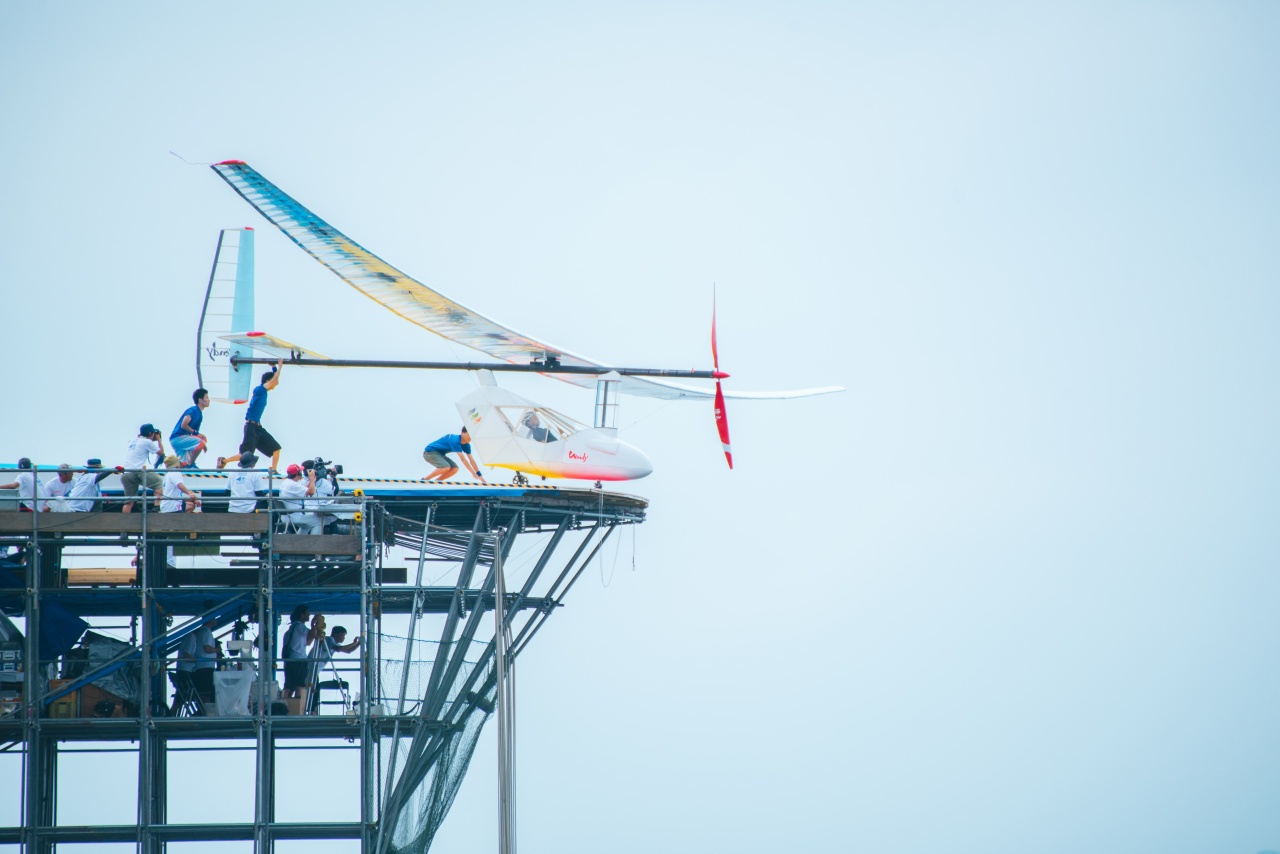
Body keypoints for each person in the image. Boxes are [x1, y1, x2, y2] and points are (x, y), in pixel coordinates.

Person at [217, 358, 284, 473]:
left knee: (276, 448)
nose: (276, 384)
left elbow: (274, 379)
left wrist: (273, 367)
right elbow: (274, 380)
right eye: (273, 382)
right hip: (251, 427)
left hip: (258, 428)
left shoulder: (263, 391)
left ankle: (273, 469)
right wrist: (280, 366)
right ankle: (224, 461)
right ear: (268, 381)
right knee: (245, 455)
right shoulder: (260, 389)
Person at [310, 624, 361, 713]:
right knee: (313, 690)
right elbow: (340, 649)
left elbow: (347, 651)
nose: (343, 638)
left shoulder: (332, 644)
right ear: (336, 634)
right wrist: (354, 643)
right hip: (311, 668)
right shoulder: (329, 640)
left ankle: (313, 710)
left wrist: (358, 644)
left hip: (315, 669)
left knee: (315, 690)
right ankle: (313, 711)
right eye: (342, 636)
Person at [280, 605, 321, 702]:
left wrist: (314, 628)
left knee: (289, 685)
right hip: (299, 660)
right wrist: (313, 624)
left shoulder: (290, 629)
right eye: (307, 613)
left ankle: (283, 706)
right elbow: (313, 634)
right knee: (300, 685)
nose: (309, 615)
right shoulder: (300, 626)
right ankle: (297, 709)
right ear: (301, 614)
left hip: (289, 660)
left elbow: (308, 642)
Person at [121, 424, 165, 513]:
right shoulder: (147, 442)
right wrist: (159, 439)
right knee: (158, 482)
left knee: (129, 502)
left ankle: (124, 524)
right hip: (137, 471)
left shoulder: (133, 440)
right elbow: (161, 452)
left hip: (126, 473)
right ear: (150, 433)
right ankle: (156, 506)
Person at [177, 611, 219, 705]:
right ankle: (204, 712)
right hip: (189, 670)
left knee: (180, 699)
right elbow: (206, 649)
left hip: (194, 669)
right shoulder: (194, 636)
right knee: (205, 693)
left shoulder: (199, 635)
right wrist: (217, 650)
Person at [421, 427, 486, 482]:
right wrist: (472, 473)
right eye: (469, 435)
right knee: (445, 467)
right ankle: (425, 480)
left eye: (472, 436)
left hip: (440, 454)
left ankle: (437, 482)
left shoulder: (467, 445)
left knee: (454, 468)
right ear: (462, 433)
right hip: (429, 452)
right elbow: (463, 459)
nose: (470, 438)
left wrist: (479, 475)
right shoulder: (455, 440)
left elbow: (471, 460)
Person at [170, 388, 211, 466]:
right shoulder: (193, 410)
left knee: (183, 464)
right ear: (200, 400)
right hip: (178, 438)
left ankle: (186, 467)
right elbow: (184, 425)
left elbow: (195, 434)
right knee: (202, 440)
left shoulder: (200, 415)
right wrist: (201, 442)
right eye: (206, 398)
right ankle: (191, 464)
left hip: (181, 440)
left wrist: (202, 445)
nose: (209, 400)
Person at [277, 463, 320, 534]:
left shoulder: (286, 482)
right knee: (318, 521)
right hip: (294, 517)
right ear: (298, 473)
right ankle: (315, 543)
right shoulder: (292, 485)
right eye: (300, 471)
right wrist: (312, 479)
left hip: (286, 516)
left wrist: (311, 481)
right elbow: (311, 492)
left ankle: (298, 541)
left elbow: (304, 489)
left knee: (307, 525)